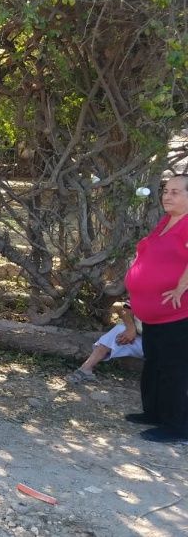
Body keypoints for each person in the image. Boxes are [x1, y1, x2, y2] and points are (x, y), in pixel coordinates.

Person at [124, 174, 188, 443]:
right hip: (154, 316)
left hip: (177, 314)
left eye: (175, 191)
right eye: (166, 190)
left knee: (173, 370)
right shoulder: (165, 222)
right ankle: (154, 412)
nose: (167, 196)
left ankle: (177, 427)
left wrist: (181, 288)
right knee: (154, 365)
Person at [66, 302, 143, 384]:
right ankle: (85, 369)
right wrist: (130, 328)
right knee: (119, 330)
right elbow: (125, 308)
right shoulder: (145, 290)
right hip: (139, 339)